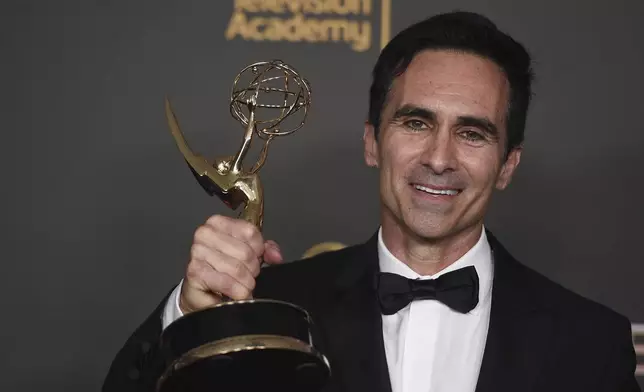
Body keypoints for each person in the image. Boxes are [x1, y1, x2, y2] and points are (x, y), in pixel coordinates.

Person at [102, 11, 640, 392]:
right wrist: (192, 312)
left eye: (472, 134)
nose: (438, 157)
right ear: (371, 141)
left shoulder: (590, 344)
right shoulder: (269, 311)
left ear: (508, 165)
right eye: (415, 122)